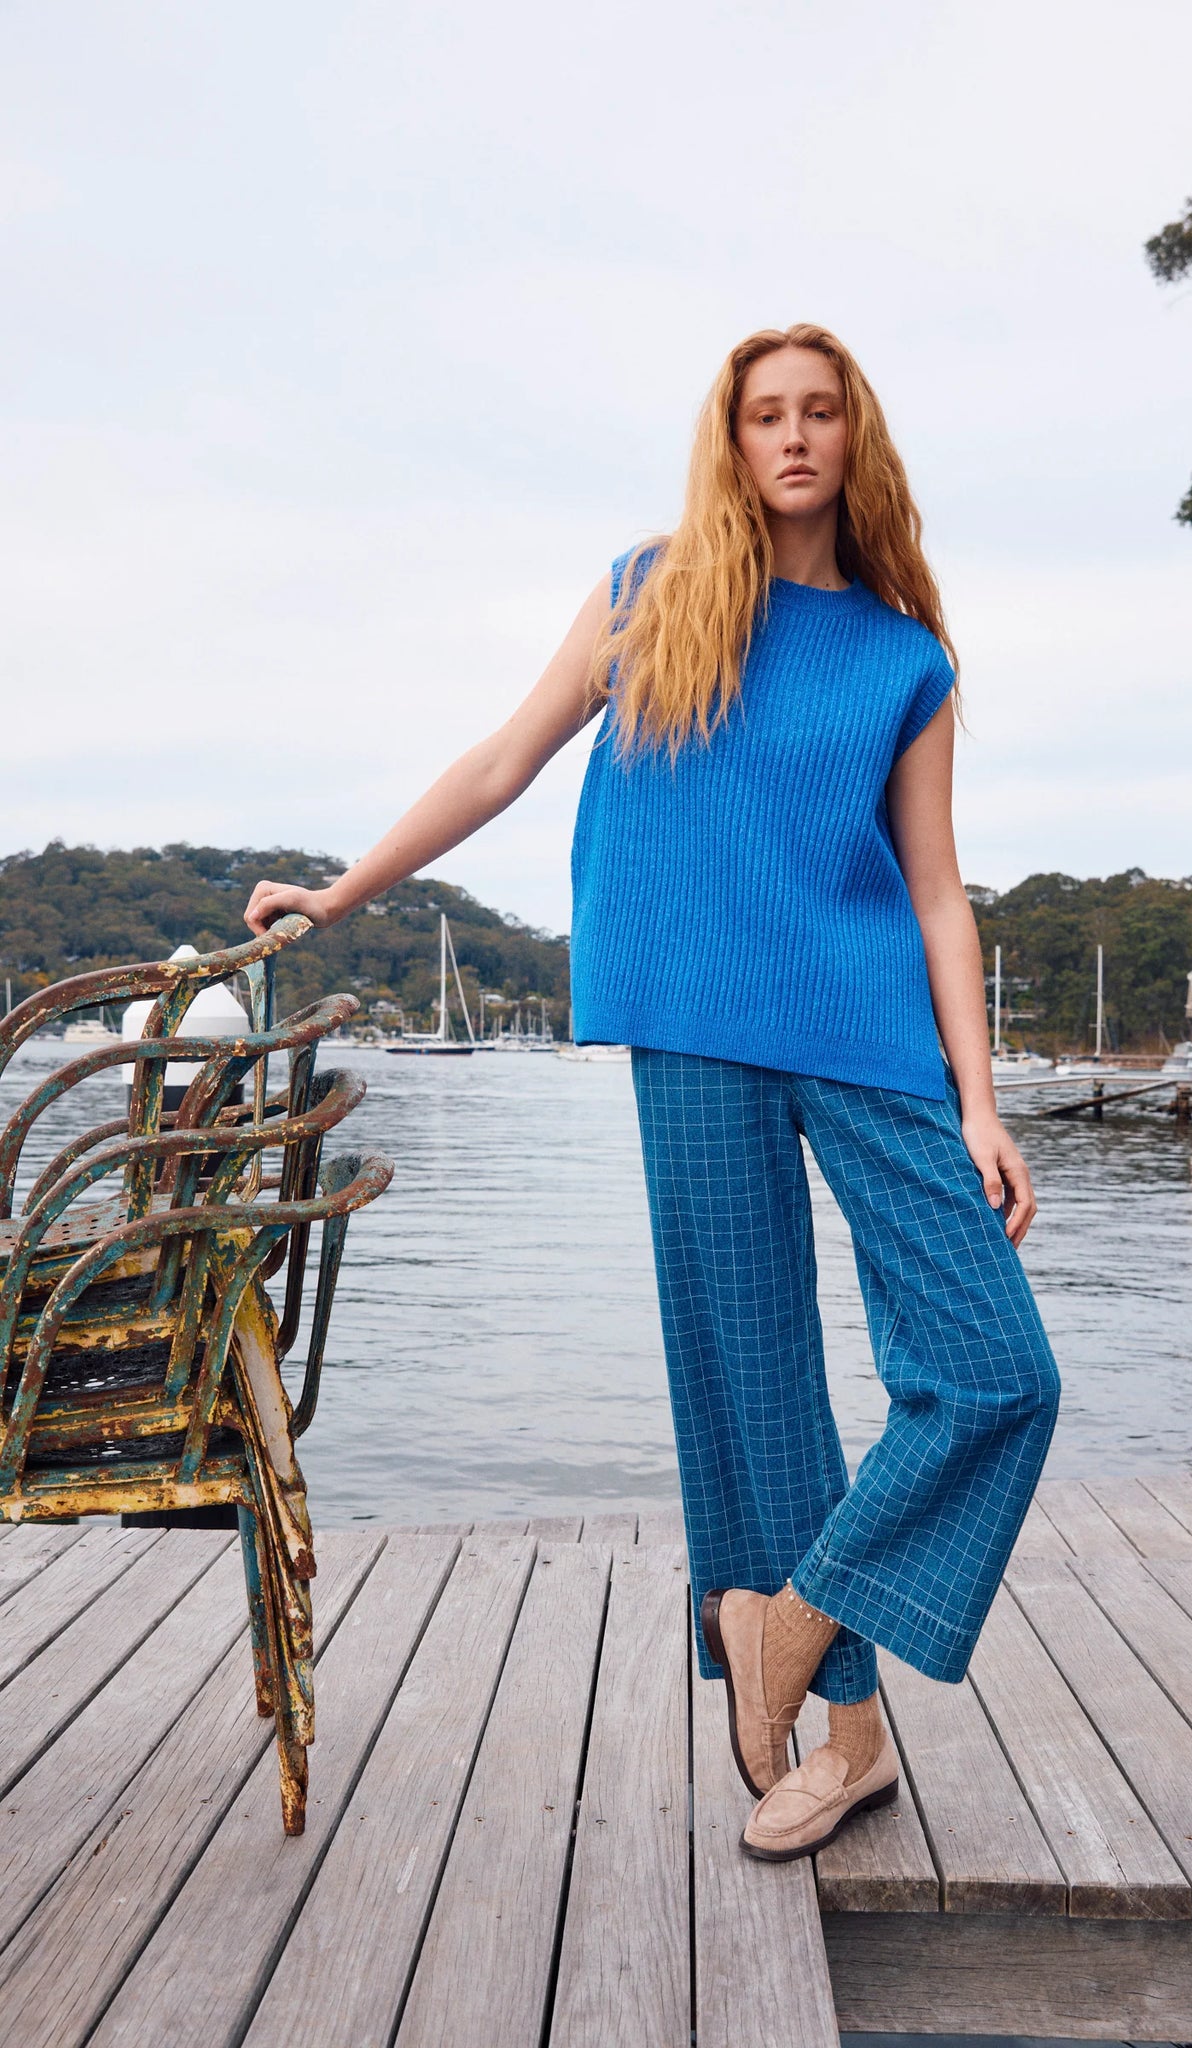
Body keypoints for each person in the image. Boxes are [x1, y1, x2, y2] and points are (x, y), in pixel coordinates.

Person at [245, 322, 1060, 1863]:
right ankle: (849, 1745)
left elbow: (937, 893)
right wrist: (340, 892)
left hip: (869, 1028)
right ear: (731, 439)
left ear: (855, 438)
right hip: (691, 1024)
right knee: (753, 1379)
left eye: (819, 411)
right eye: (765, 414)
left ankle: (788, 1612)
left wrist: (979, 1101)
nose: (793, 436)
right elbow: (502, 763)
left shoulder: (905, 657)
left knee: (996, 1371)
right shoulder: (649, 593)